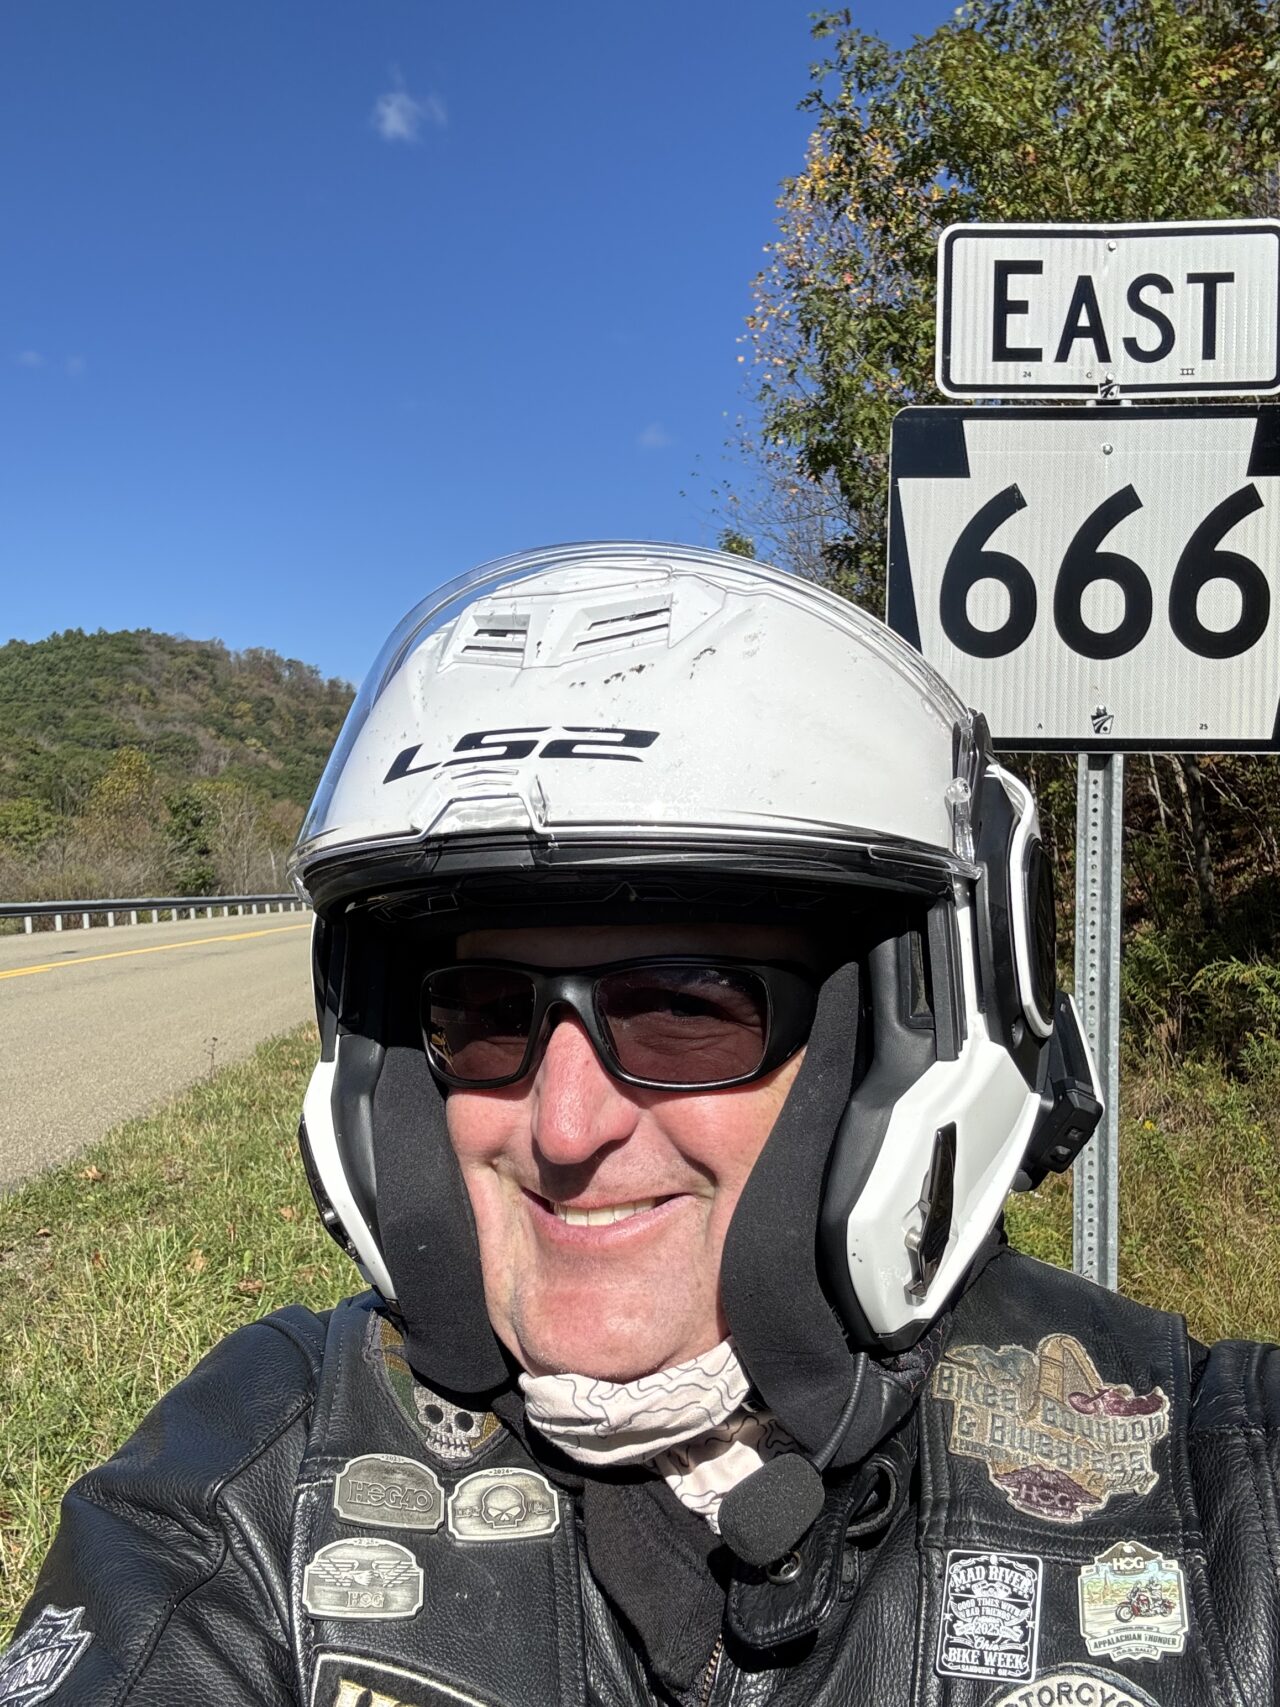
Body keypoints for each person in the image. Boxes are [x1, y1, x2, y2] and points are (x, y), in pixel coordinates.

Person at [7, 541, 1279, 1707]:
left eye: (682, 1011)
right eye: (483, 1017)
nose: (564, 1129)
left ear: (884, 1060)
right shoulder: (258, 1478)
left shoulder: (1224, 1495)